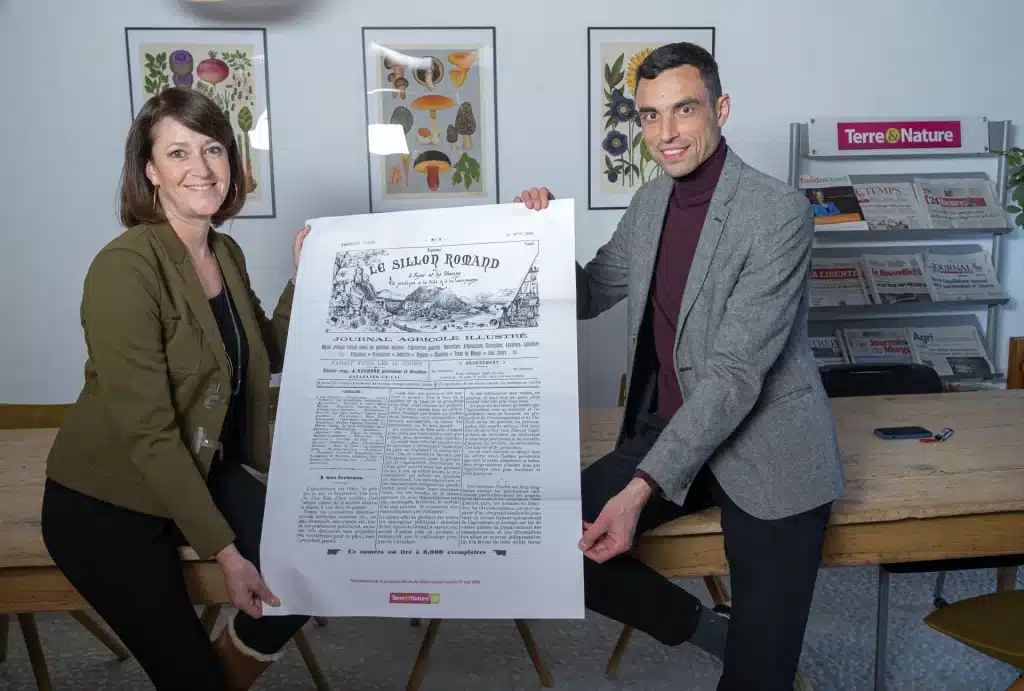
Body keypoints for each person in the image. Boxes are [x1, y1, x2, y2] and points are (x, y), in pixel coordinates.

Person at [515, 41, 844, 690]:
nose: (665, 133)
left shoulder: (778, 213)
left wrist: (640, 489)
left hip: (767, 446)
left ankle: (745, 648)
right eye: (649, 116)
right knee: (542, 536)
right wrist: (539, 237)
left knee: (758, 678)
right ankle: (706, 628)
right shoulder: (648, 206)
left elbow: (733, 375)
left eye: (684, 110)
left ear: (719, 108)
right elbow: (587, 294)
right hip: (671, 430)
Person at [41, 87, 313, 691]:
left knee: (307, 568)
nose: (201, 168)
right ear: (151, 170)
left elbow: (266, 353)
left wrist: (306, 275)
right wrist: (226, 552)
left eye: (213, 150)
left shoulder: (226, 251)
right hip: (108, 503)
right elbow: (149, 432)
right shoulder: (125, 267)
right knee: (187, 675)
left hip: (206, 465)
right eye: (179, 152)